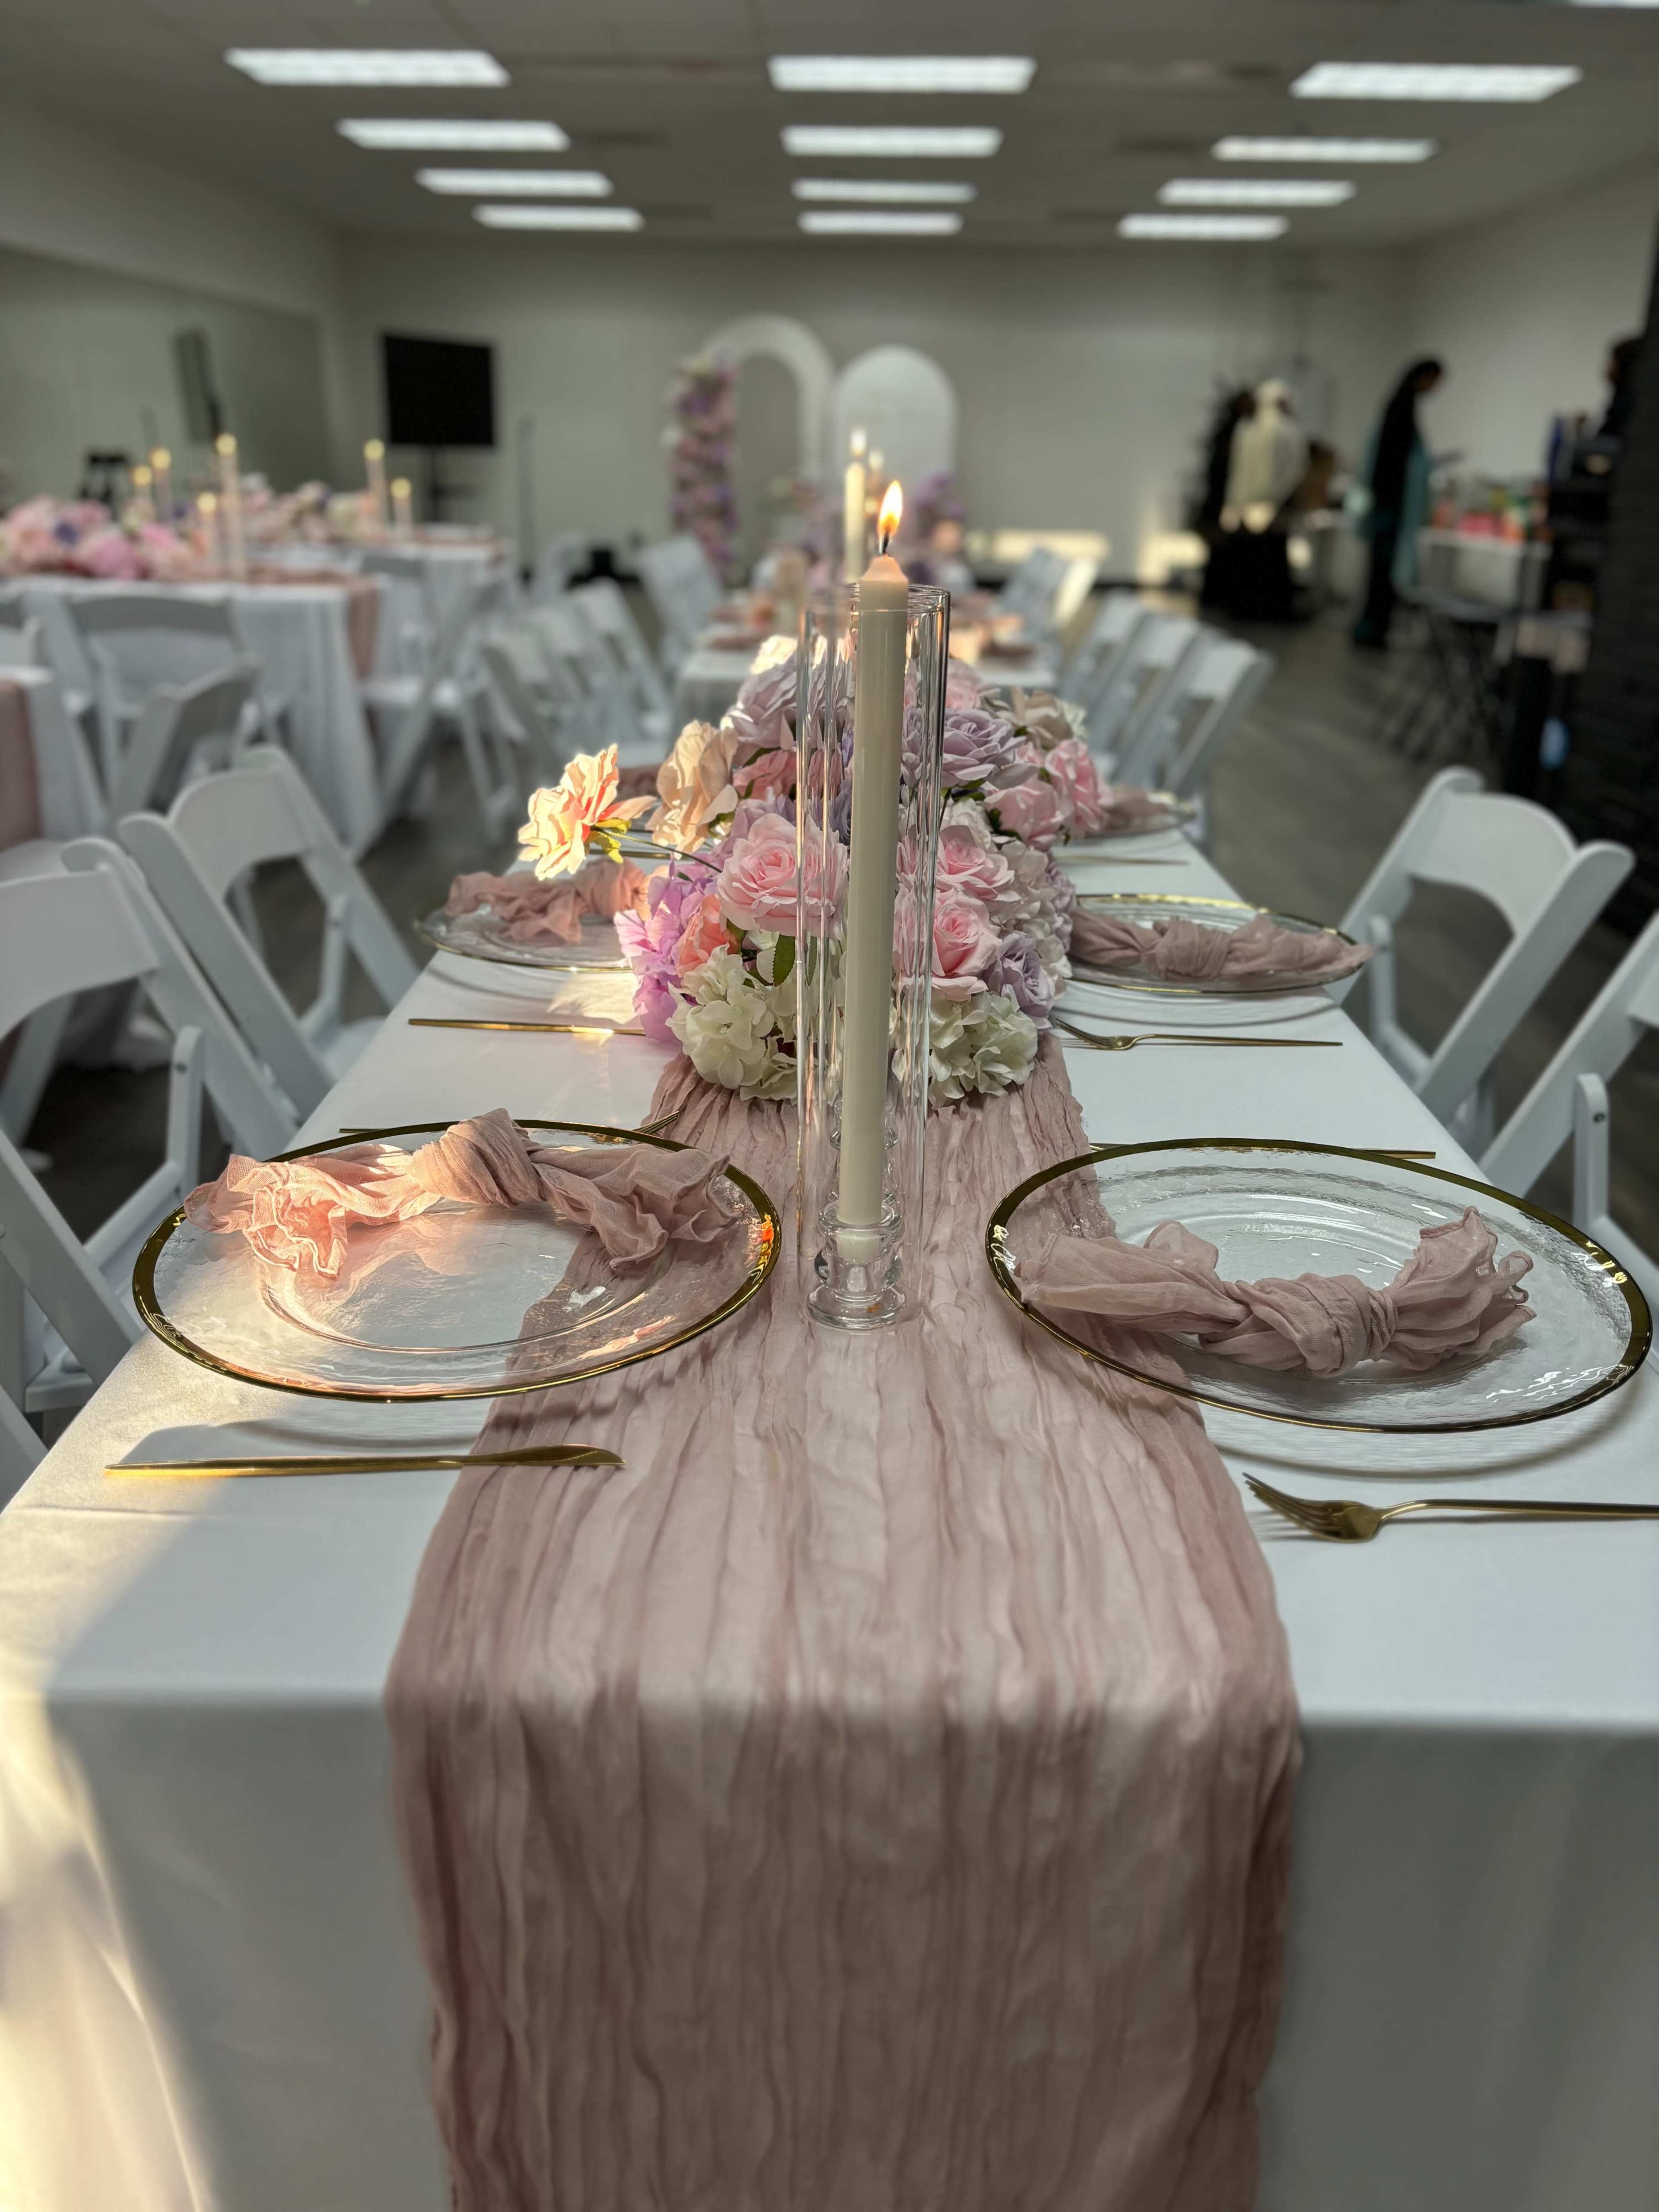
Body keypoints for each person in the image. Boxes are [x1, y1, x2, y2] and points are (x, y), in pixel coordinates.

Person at [1352, 357, 1444, 650]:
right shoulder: (1402, 410)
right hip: (1390, 507)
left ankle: (1374, 627)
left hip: (1388, 505)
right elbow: (1392, 465)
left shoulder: (1400, 407)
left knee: (1380, 574)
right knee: (1382, 574)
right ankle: (1373, 629)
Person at [1217, 379, 1308, 622]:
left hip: (1256, 505)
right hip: (1266, 505)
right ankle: (1261, 609)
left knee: (1261, 558)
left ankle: (1251, 608)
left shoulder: (1247, 429)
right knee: (1262, 559)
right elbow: (1295, 469)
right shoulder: (1282, 430)